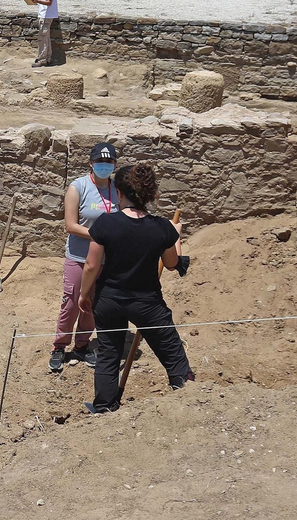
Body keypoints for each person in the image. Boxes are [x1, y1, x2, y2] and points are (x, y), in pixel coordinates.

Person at [77, 162, 193, 414]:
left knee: (108, 354)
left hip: (110, 299)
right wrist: (176, 236)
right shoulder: (162, 227)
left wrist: (84, 295)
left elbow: (91, 266)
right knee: (172, 354)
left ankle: (105, 407)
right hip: (147, 302)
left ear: (119, 192)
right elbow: (172, 264)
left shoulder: (106, 224)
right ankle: (187, 396)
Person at [49, 142, 120, 372]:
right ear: (91, 163)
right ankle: (60, 346)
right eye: (100, 162)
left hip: (105, 260)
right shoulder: (78, 187)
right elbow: (70, 225)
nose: (104, 167)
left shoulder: (117, 189)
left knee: (91, 303)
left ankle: (82, 346)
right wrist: (99, 236)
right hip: (79, 257)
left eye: (108, 163)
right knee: (71, 303)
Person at [33, 0, 59, 67]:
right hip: (43, 15)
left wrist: (37, 1)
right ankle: (47, 58)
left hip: (46, 16)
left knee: (43, 38)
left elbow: (49, 2)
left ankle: (42, 59)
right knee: (45, 38)